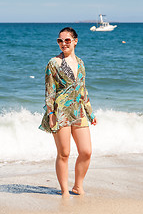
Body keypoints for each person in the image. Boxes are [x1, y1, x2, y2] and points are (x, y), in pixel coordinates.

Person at [39, 27, 97, 197]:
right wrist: (51, 115)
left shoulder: (80, 63)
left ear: (75, 41)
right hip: (60, 112)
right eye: (60, 40)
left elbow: (83, 89)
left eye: (67, 40)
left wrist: (90, 112)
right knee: (64, 153)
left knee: (86, 151)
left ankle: (78, 186)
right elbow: (49, 91)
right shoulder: (54, 63)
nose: (63, 43)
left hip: (78, 111)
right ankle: (64, 190)